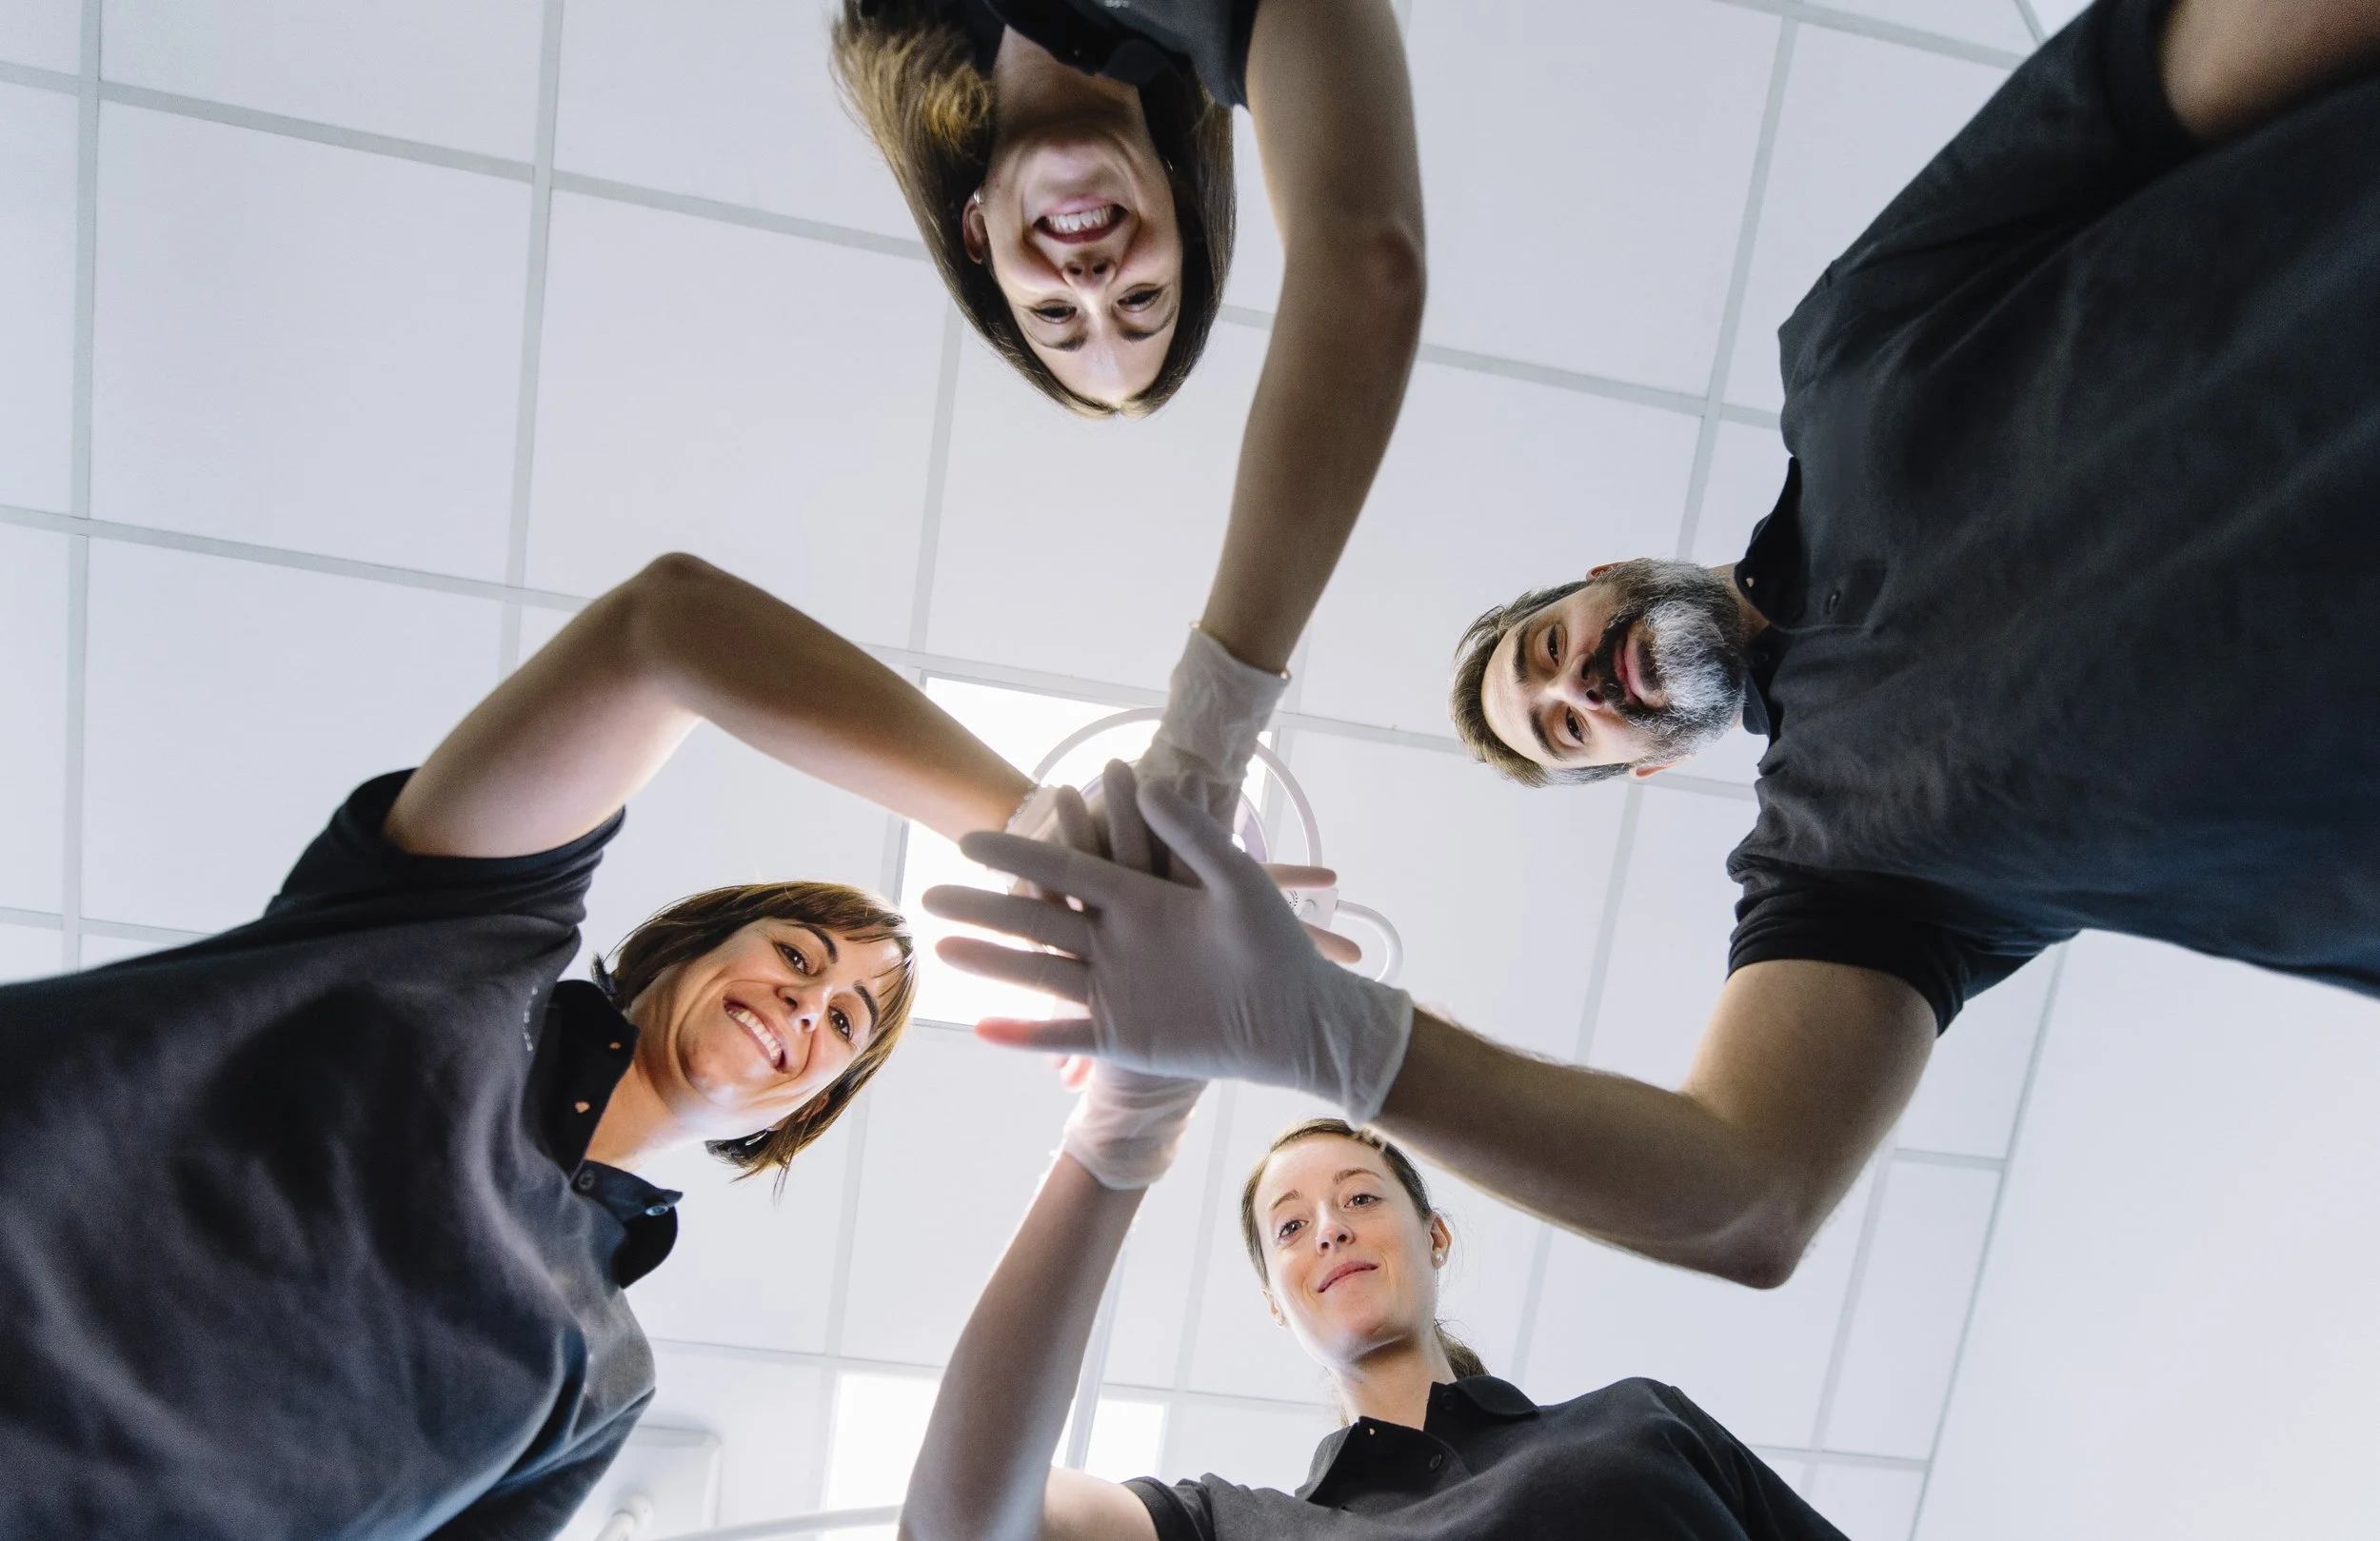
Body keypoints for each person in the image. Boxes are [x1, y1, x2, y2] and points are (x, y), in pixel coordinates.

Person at [924, 0, 2380, 1292]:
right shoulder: (1849, 870)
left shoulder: (1857, 344)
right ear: (1637, 766)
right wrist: (1329, 1034)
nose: (1572, 684)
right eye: (1566, 725)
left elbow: (2192, 57)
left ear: (1607, 573)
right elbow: (1751, 1198)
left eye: (1545, 651)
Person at [0, 553, 1051, 1539]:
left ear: (806, 1107)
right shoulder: (464, 937)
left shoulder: (602, 1379)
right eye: (795, 952)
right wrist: (1040, 832)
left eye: (844, 1021)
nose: (808, 1000)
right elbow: (668, 623)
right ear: (687, 948)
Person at [834, 0, 1426, 835]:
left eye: (1054, 317)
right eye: (1143, 298)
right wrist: (1207, 735)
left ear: (978, 234)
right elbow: (1368, 263)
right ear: (1181, 206)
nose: (1090, 283)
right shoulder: (1245, 24)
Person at [901, 1106, 1844, 1540]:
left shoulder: (1637, 1419)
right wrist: (1111, 1146)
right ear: (1277, 1298)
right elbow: (960, 1520)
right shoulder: (1230, 1526)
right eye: (1289, 1226)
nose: (1329, 1228)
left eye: (1359, 1196)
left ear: (1434, 1236)